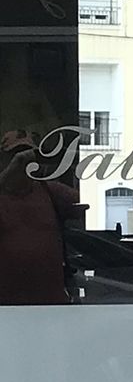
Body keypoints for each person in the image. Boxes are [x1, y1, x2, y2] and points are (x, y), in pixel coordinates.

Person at [0, 130, 81, 305]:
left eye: (28, 156)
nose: (23, 162)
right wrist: (8, 174)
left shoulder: (50, 191)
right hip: (6, 306)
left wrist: (72, 162)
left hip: (51, 302)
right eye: (15, 155)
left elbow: (87, 202)